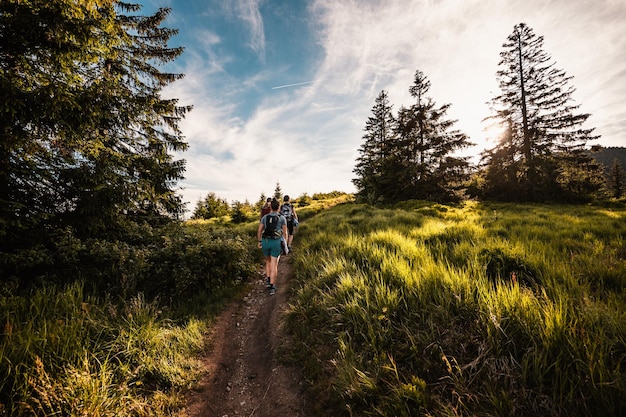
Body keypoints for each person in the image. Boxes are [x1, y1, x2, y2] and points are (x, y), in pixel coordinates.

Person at [257, 198, 287, 295]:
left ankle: (268, 279)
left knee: (268, 261)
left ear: (270, 207)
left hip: (265, 241)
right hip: (276, 242)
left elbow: (259, 231)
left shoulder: (265, 217)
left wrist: (259, 241)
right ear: (279, 207)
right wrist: (284, 243)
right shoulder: (282, 218)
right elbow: (285, 233)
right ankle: (272, 286)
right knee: (274, 264)